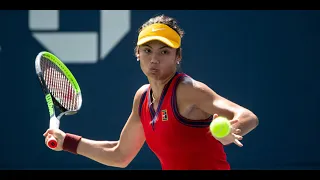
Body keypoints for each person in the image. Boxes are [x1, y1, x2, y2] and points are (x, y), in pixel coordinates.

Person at [43, 14, 259, 170]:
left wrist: (232, 128)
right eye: (147, 51)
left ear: (178, 56)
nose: (154, 59)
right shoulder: (142, 99)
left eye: (164, 52)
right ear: (137, 53)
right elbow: (119, 155)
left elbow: (248, 117)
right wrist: (66, 142)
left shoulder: (188, 90)